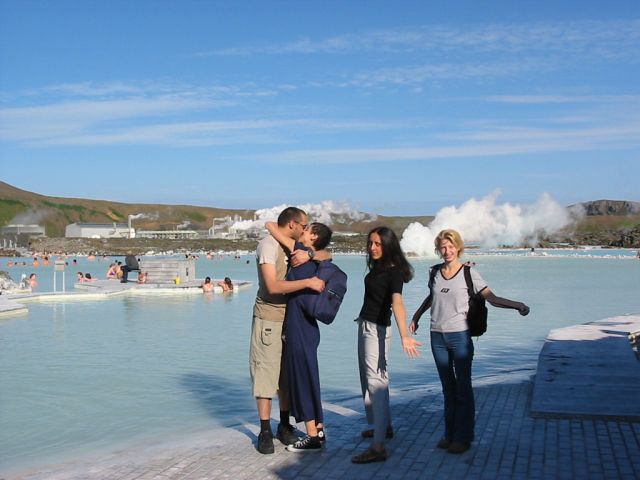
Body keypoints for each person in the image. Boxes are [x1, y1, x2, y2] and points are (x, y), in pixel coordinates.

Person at [410, 229, 530, 455]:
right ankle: (449, 434)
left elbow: (491, 298)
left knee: (463, 387)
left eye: (451, 246)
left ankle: (463, 437)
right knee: (448, 388)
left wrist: (517, 305)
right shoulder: (433, 272)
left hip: (460, 337)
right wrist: (416, 316)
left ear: (458, 248)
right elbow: (432, 297)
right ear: (438, 249)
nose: (447, 251)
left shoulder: (469, 273)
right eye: (443, 247)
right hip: (437, 336)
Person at [250, 207, 326, 455]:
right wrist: (308, 282)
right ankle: (264, 430)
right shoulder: (268, 246)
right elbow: (272, 286)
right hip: (269, 317)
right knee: (265, 374)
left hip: (292, 319)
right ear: (292, 224)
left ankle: (284, 424)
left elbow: (328, 254)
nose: (305, 230)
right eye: (303, 226)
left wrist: (310, 253)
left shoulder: (295, 245)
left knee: (287, 376)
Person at [352, 226, 422, 464]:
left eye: (378, 244)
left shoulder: (393, 273)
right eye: (371, 243)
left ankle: (378, 446)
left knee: (376, 384)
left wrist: (405, 335)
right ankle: (385, 427)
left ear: (388, 246)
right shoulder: (378, 267)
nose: (372, 248)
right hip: (365, 326)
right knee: (370, 381)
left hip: (377, 331)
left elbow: (397, 303)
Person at [265, 220, 334, 453]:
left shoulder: (301, 250)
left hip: (298, 326)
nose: (302, 230)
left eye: (307, 228)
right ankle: (319, 430)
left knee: (302, 379)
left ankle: (312, 436)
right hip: (308, 327)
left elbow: (270, 225)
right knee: (310, 377)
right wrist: (311, 253)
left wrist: (305, 248)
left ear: (313, 236)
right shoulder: (316, 259)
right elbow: (328, 254)